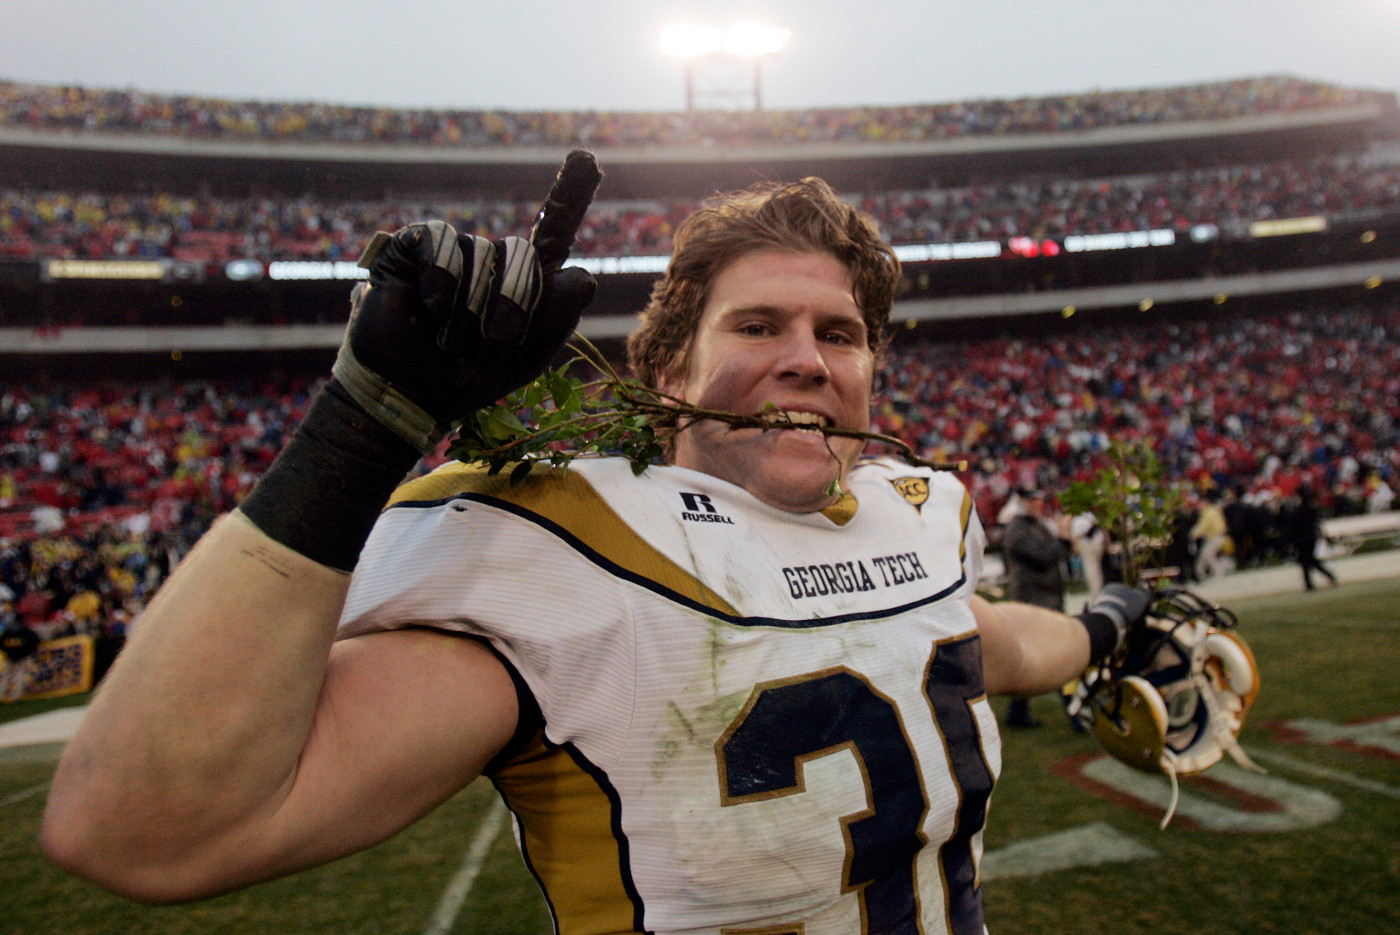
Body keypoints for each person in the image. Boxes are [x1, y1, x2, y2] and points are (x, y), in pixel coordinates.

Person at [41, 159, 1149, 935]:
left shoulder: (913, 514)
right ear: (663, 371)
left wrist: (1101, 627)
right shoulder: (581, 553)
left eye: (839, 334)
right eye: (756, 325)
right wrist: (365, 421)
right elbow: (143, 828)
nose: (807, 359)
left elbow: (988, 639)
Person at [998, 489, 1070, 728]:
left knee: (1035, 656)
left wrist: (1062, 541)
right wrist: (1063, 537)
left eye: (1039, 499)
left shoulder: (1033, 526)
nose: (1038, 504)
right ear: (1022, 502)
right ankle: (1074, 710)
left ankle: (1017, 712)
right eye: (1032, 500)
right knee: (1059, 654)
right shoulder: (1017, 530)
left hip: (1044, 597)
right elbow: (1044, 557)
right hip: (1035, 600)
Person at [1284, 485, 1338, 591]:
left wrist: (1290, 537)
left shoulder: (1299, 509)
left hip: (1302, 538)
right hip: (1310, 537)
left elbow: (1294, 524)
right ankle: (1314, 581)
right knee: (1308, 560)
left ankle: (1311, 582)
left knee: (1306, 560)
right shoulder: (1310, 507)